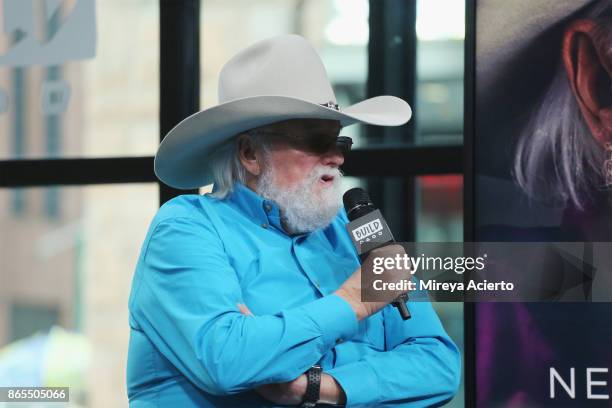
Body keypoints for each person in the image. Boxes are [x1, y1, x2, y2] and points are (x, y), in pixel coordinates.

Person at [126, 34, 460, 407]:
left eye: (340, 142)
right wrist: (353, 301)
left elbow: (440, 366)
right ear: (251, 153)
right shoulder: (186, 229)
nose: (337, 158)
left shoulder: (355, 236)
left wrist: (317, 386)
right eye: (317, 141)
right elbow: (230, 359)